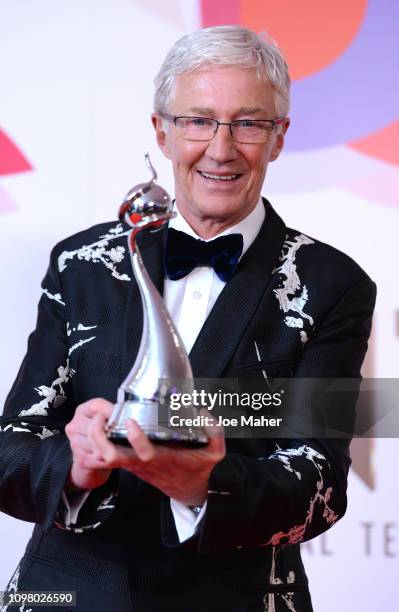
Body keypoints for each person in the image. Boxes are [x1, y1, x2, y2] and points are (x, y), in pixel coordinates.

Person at [0, 25, 376, 612]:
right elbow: (11, 448)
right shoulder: (83, 264)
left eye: (248, 123)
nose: (221, 149)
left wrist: (200, 485)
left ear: (278, 138)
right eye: (198, 121)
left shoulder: (331, 284)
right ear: (163, 132)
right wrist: (77, 466)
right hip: (67, 595)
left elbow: (319, 487)